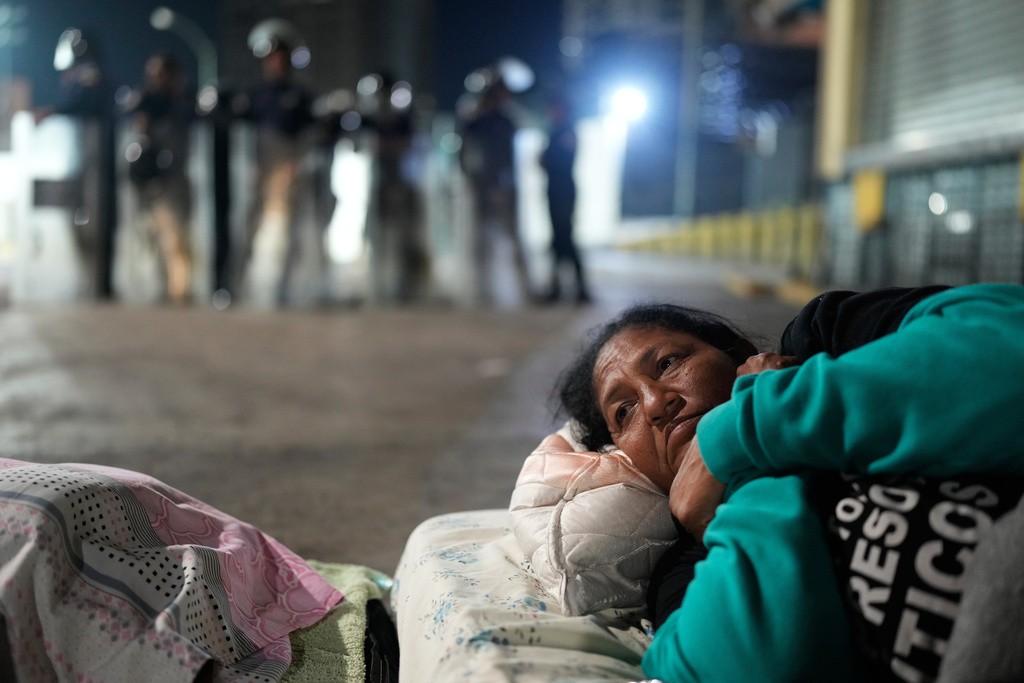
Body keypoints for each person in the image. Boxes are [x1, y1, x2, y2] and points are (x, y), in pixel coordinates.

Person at [555, 283, 1024, 682]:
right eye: (625, 411)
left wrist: (754, 422)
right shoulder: (689, 566)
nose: (655, 402)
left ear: (737, 353)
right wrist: (744, 480)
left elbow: (1007, 343)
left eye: (668, 363)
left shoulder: (825, 340)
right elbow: (754, 669)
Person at [233, 36, 317, 307]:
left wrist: (298, 161)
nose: (275, 64)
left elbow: (311, 134)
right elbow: (244, 130)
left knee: (287, 229)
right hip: (260, 167)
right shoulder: (256, 96)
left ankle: (283, 288)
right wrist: (251, 164)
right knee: (248, 228)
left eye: (281, 59)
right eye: (271, 59)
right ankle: (237, 286)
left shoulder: (301, 97)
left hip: (288, 168)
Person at [126, 53, 194, 305]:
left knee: (175, 236)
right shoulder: (144, 101)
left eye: (161, 74)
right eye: (152, 75)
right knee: (150, 236)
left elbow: (180, 137)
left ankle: (179, 291)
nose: (155, 80)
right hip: (149, 182)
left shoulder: (181, 102)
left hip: (173, 180)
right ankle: (158, 288)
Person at [459, 76, 533, 306]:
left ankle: (526, 289)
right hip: (481, 188)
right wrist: (473, 181)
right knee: (479, 242)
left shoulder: (505, 121)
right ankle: (481, 290)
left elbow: (509, 159)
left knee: (514, 239)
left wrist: (503, 185)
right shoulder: (474, 123)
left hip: (504, 188)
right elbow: (464, 156)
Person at [539, 93, 590, 304]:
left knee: (564, 238)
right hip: (555, 190)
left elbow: (555, 162)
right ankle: (561, 287)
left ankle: (576, 289)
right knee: (559, 239)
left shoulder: (566, 131)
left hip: (563, 191)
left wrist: (545, 160)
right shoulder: (556, 131)